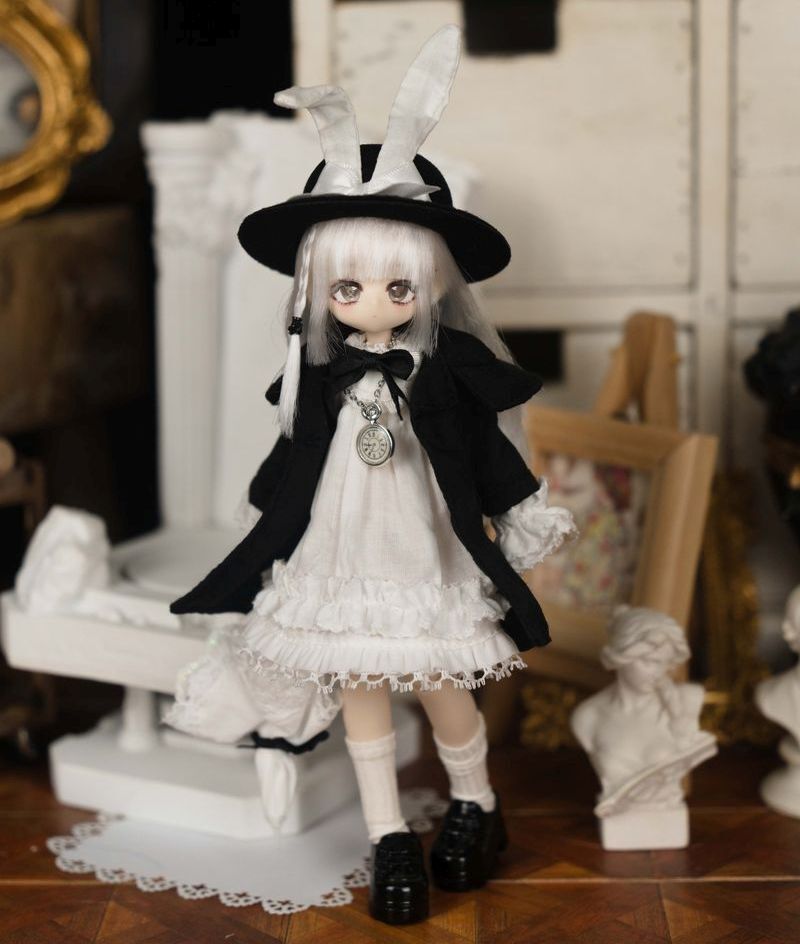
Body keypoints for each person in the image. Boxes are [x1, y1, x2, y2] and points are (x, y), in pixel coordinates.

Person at [167, 26, 575, 925]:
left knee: (441, 683)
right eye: (347, 289)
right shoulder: (319, 373)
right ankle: (389, 834)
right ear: (318, 292)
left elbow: (485, 452)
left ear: (431, 286)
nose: (373, 305)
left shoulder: (448, 370)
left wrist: (519, 510)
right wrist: (265, 517)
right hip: (341, 551)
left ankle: (476, 805)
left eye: (400, 288)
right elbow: (293, 453)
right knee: (359, 689)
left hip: (424, 549)